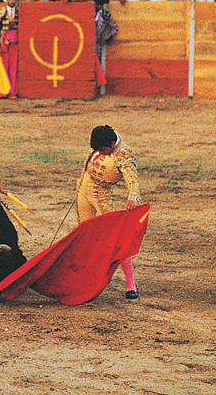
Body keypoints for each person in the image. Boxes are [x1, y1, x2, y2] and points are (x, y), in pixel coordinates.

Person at [76, 124, 141, 299]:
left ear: (112, 144)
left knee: (117, 239)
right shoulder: (101, 139)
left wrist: (133, 197)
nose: (100, 152)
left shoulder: (123, 154)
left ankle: (131, 285)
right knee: (85, 235)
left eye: (103, 149)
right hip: (83, 190)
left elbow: (133, 180)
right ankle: (85, 278)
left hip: (101, 195)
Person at [0, 0, 20, 97]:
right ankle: (4, 90)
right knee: (4, 66)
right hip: (4, 40)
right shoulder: (0, 12)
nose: (12, 1)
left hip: (15, 39)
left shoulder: (20, 11)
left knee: (13, 66)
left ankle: (12, 91)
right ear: (6, 0)